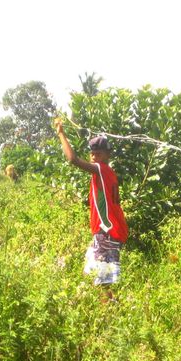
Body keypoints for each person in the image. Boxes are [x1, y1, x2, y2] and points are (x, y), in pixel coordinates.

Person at [54, 117, 129, 299]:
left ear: (107, 155)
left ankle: (108, 311)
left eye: (99, 153)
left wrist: (61, 134)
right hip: (109, 232)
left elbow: (72, 159)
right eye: (92, 154)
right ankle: (109, 307)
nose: (94, 157)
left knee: (102, 279)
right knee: (100, 275)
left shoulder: (102, 169)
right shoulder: (107, 173)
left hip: (106, 232)